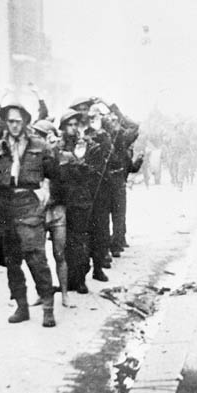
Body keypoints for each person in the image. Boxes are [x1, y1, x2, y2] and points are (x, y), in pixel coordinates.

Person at [0, 97, 57, 327]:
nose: (14, 125)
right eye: (10, 122)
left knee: (36, 258)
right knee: (12, 261)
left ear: (26, 121)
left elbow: (54, 174)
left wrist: (45, 194)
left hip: (29, 202)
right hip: (6, 204)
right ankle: (21, 305)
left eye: (18, 121)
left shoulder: (40, 146)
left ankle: (48, 306)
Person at [30, 119, 74, 308]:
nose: (38, 139)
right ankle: (43, 293)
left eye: (42, 135)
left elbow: (67, 181)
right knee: (38, 255)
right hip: (39, 209)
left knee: (59, 253)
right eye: (36, 135)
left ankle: (64, 294)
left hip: (57, 209)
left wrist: (55, 154)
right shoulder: (31, 156)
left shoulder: (64, 156)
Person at [58, 109, 93, 294]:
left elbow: (89, 172)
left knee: (79, 240)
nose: (72, 128)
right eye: (68, 125)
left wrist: (78, 161)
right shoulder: (58, 146)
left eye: (74, 125)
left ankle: (80, 279)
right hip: (63, 199)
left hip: (79, 199)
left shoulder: (84, 145)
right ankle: (69, 280)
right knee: (64, 243)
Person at [100, 99, 139, 256]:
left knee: (118, 214)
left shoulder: (121, 138)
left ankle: (116, 245)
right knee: (102, 218)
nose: (114, 122)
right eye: (110, 120)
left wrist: (111, 106)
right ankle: (104, 249)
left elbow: (134, 126)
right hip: (102, 181)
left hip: (117, 179)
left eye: (115, 120)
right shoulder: (99, 136)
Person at [83, 103, 113, 282]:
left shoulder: (104, 134)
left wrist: (101, 133)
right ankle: (82, 273)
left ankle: (98, 268)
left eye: (96, 116)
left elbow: (109, 151)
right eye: (91, 116)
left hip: (101, 188)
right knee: (84, 232)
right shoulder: (81, 134)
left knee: (100, 230)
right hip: (84, 189)